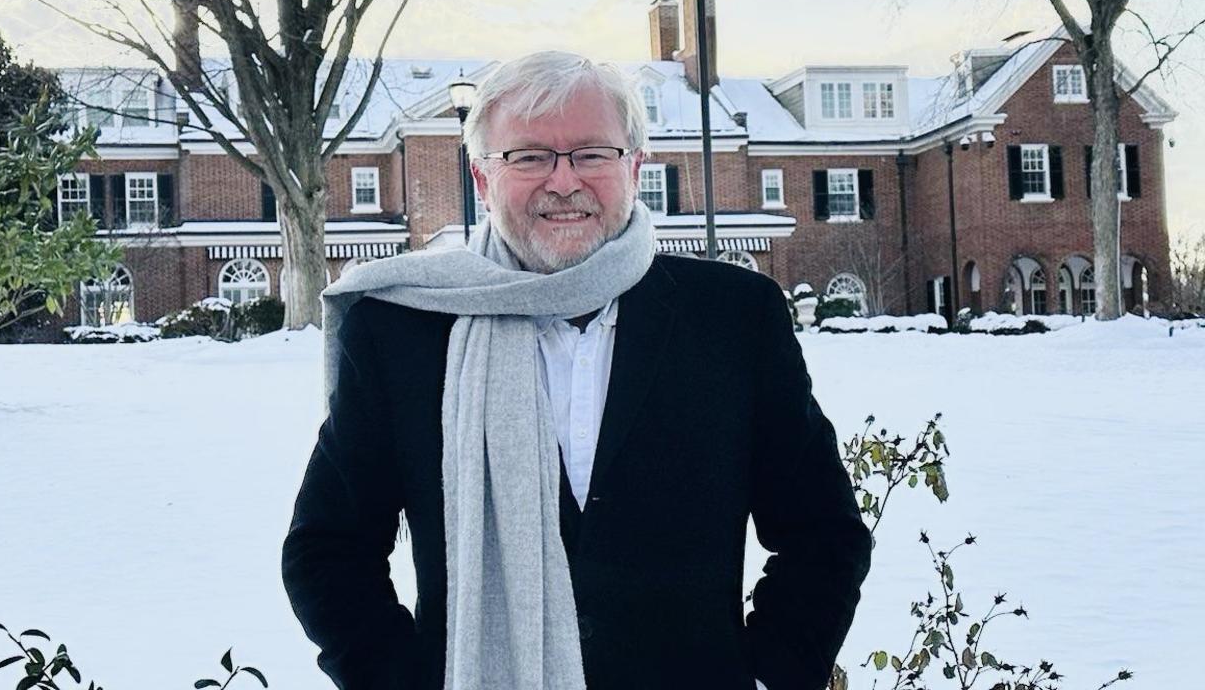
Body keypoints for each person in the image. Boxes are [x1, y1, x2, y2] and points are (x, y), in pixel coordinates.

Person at [281, 51, 872, 690]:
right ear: (481, 179)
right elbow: (329, 550)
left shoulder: (733, 318)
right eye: (529, 156)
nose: (564, 182)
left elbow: (822, 532)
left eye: (592, 154)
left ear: (636, 167)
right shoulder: (405, 329)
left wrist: (772, 674)